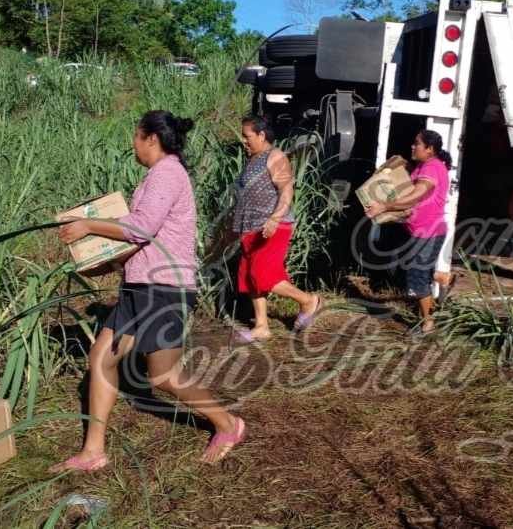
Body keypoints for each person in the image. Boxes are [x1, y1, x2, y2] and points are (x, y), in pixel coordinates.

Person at [50, 110, 246, 471]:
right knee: (101, 357)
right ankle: (94, 451)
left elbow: (141, 229)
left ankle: (228, 424)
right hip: (140, 285)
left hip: (164, 287)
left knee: (163, 375)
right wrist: (109, 261)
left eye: (135, 136)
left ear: (150, 138)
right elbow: (145, 239)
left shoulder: (168, 174)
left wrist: (88, 225)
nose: (133, 143)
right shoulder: (156, 177)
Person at [230, 116, 322, 342]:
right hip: (250, 228)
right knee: (249, 277)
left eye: (247, 136)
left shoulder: (275, 156)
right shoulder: (253, 159)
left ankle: (309, 301)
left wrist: (274, 217)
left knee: (260, 274)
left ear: (261, 135)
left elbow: (286, 190)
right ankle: (261, 326)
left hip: (273, 225)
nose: (243, 140)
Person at [365, 129, 452, 336]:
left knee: (417, 277)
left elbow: (417, 195)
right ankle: (437, 293)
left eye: (417, 144)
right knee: (419, 273)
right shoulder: (425, 166)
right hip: (422, 231)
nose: (413, 146)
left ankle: (427, 324)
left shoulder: (431, 167)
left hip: (427, 233)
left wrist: (384, 206)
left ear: (430, 149)